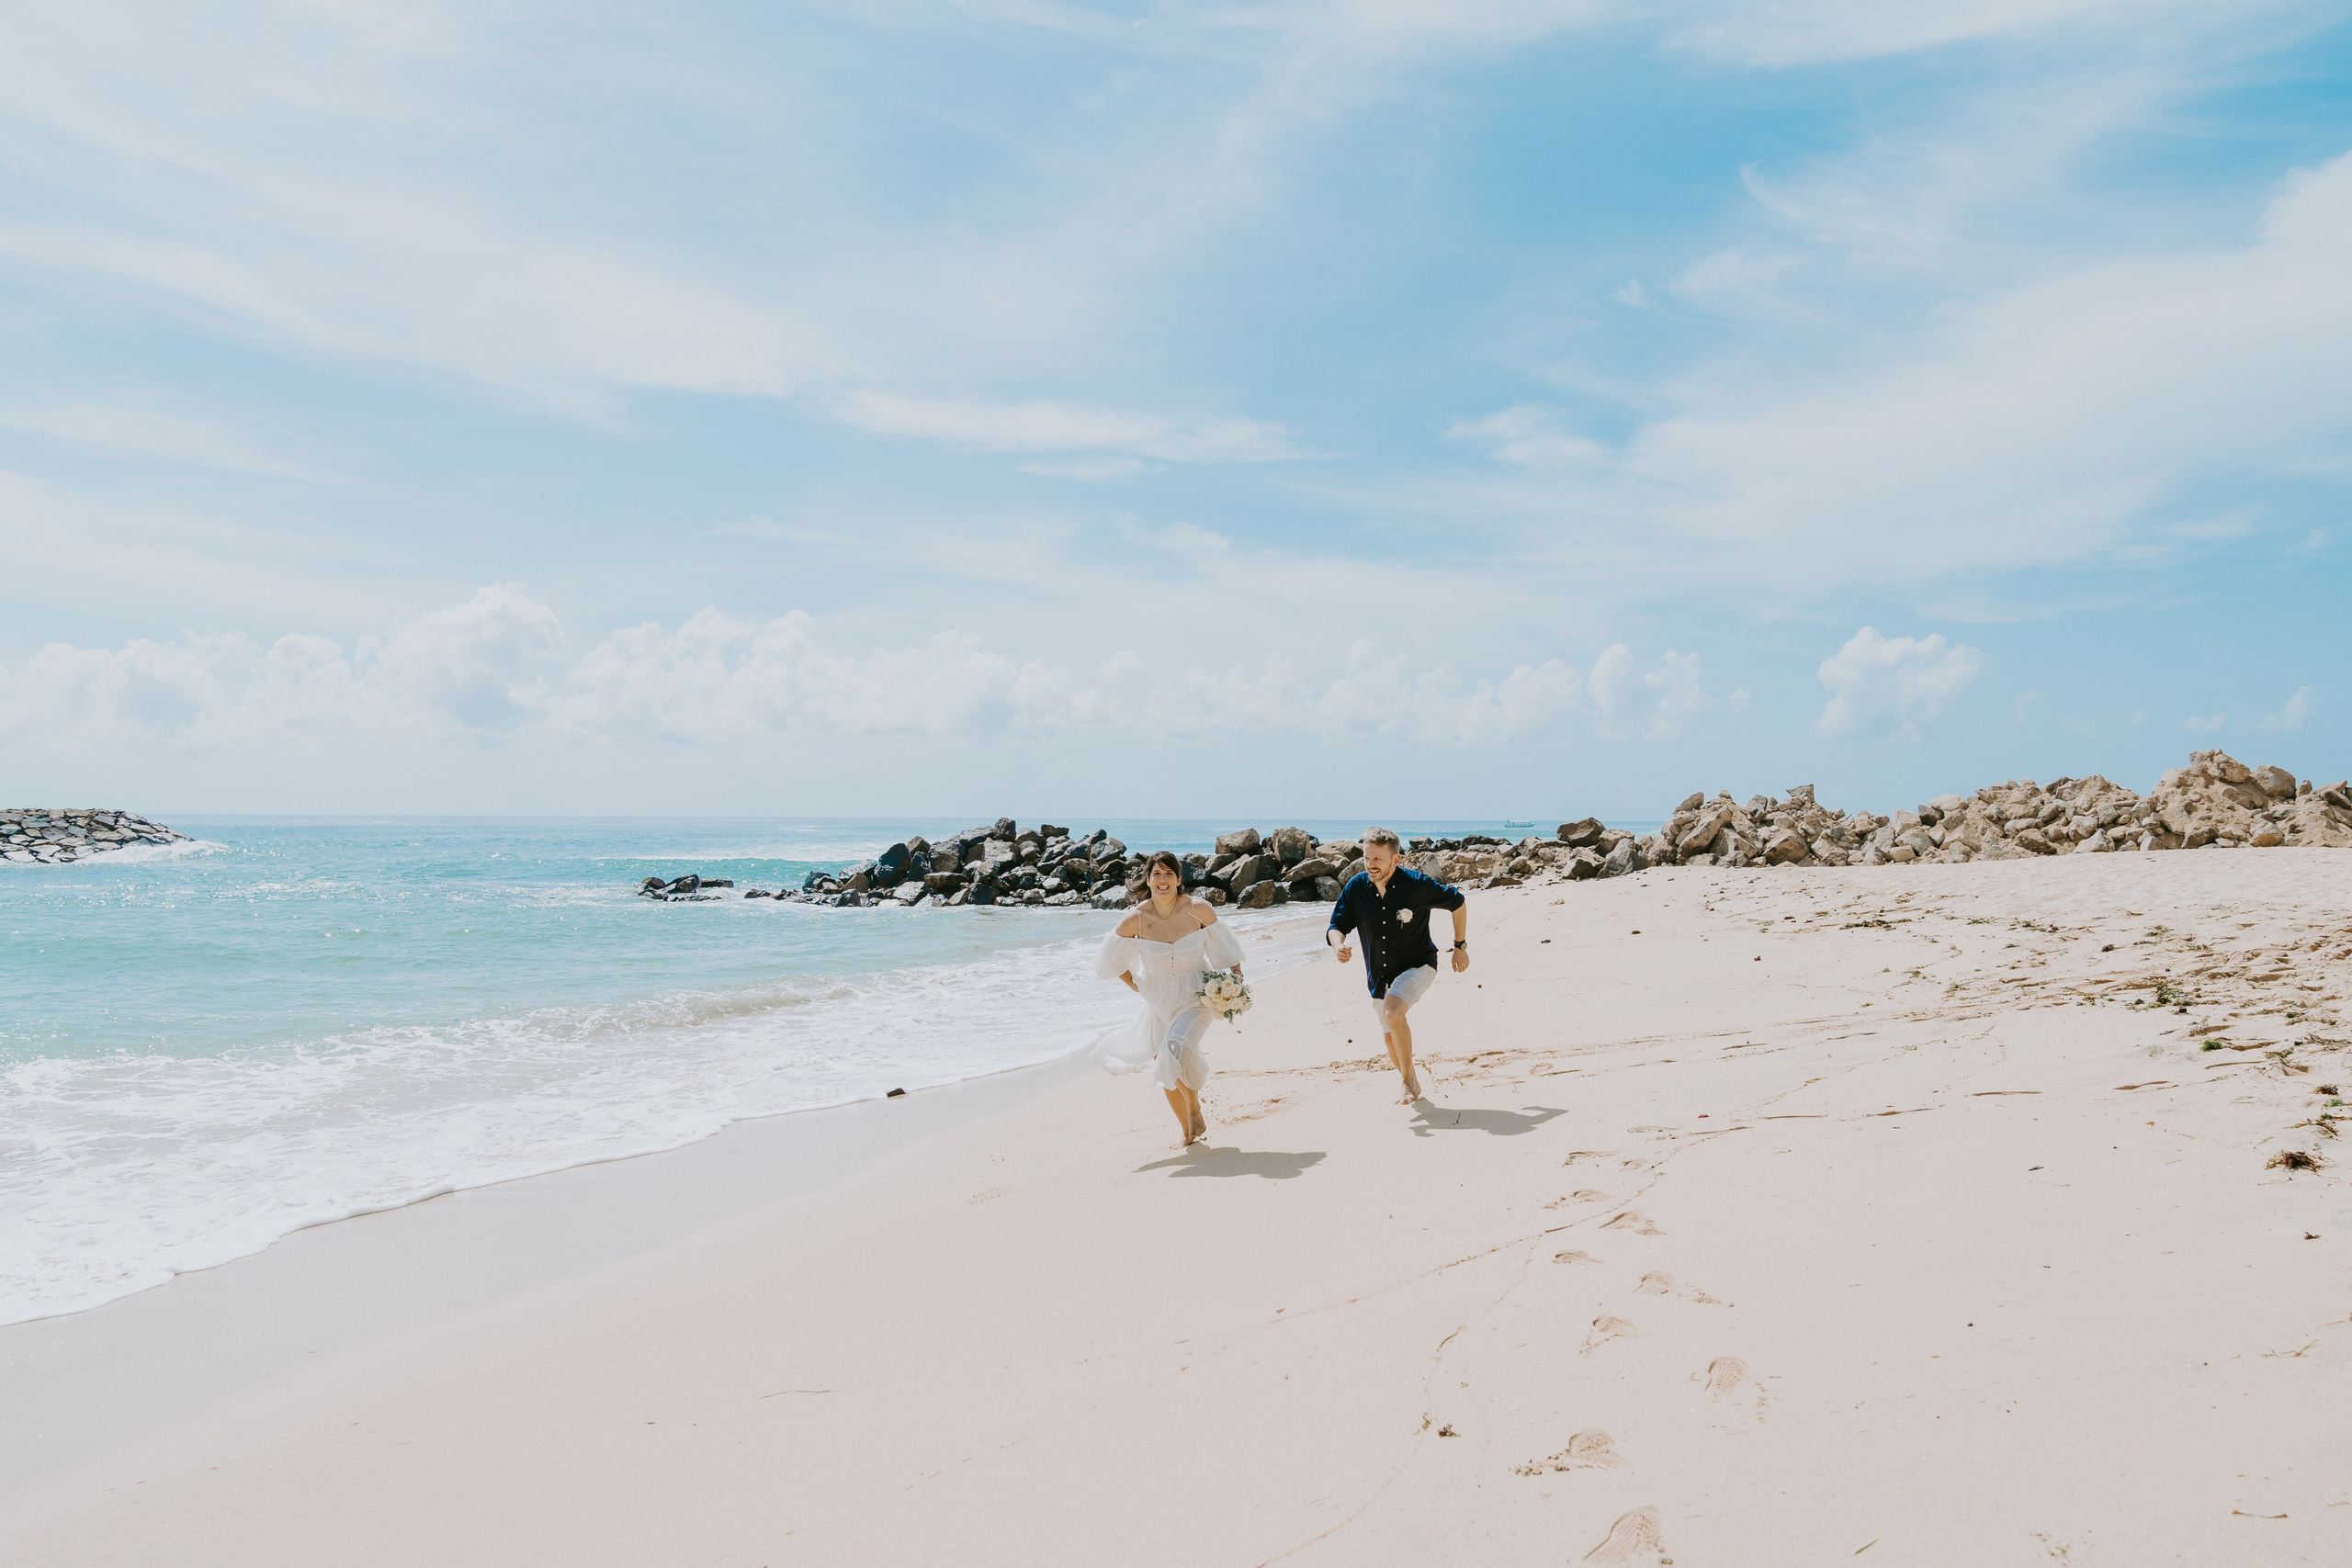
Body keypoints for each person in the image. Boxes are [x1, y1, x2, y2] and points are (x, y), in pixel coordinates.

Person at [1094, 851, 1246, 1147]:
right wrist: (1137, 986)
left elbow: (1227, 949)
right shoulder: (1135, 919)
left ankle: (1192, 1114)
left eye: (1168, 874)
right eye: (1156, 874)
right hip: (1159, 1001)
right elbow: (1109, 963)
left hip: (1197, 996)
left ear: (1178, 880)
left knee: (1170, 1055)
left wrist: (1235, 978)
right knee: (1168, 1056)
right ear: (1148, 881)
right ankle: (1188, 1127)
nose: (1162, 880)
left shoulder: (1197, 909)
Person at [1328, 828, 1467, 1102]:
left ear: (1396, 859)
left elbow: (1458, 903)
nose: (1370, 865)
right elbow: (1337, 925)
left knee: (1393, 1012)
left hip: (1417, 964)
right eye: (1367, 858)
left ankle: (1407, 1080)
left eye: (1377, 859)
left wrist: (1460, 947)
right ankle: (1410, 1075)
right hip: (1378, 974)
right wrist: (1337, 945)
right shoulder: (1356, 887)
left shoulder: (1417, 885)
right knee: (1390, 1036)